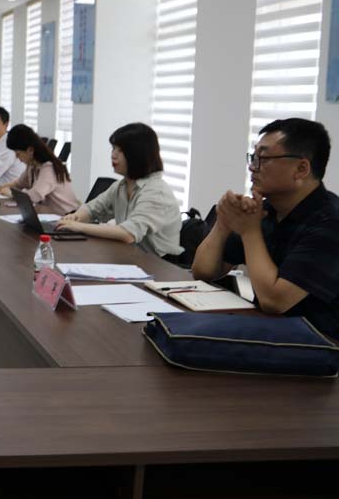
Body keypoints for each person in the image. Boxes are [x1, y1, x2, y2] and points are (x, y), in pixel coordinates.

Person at [193, 119, 339, 337]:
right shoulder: (266, 210)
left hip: (320, 344)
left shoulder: (330, 222)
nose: (252, 167)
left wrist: (250, 232)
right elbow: (203, 271)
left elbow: (275, 301)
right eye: (253, 157)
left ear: (301, 169)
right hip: (270, 332)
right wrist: (224, 223)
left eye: (264, 158)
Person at [57, 122, 183, 258]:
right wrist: (76, 217)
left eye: (121, 150)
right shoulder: (121, 186)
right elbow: (92, 209)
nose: (113, 155)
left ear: (138, 154)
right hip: (131, 256)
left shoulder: (156, 191)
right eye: (113, 148)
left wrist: (77, 226)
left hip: (160, 264)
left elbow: (128, 234)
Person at [0, 124, 80, 214]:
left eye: (18, 154)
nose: (17, 158)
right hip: (50, 215)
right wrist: (1, 187)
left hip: (67, 216)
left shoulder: (49, 168)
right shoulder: (32, 166)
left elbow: (35, 196)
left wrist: (11, 193)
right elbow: (18, 184)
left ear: (30, 150)